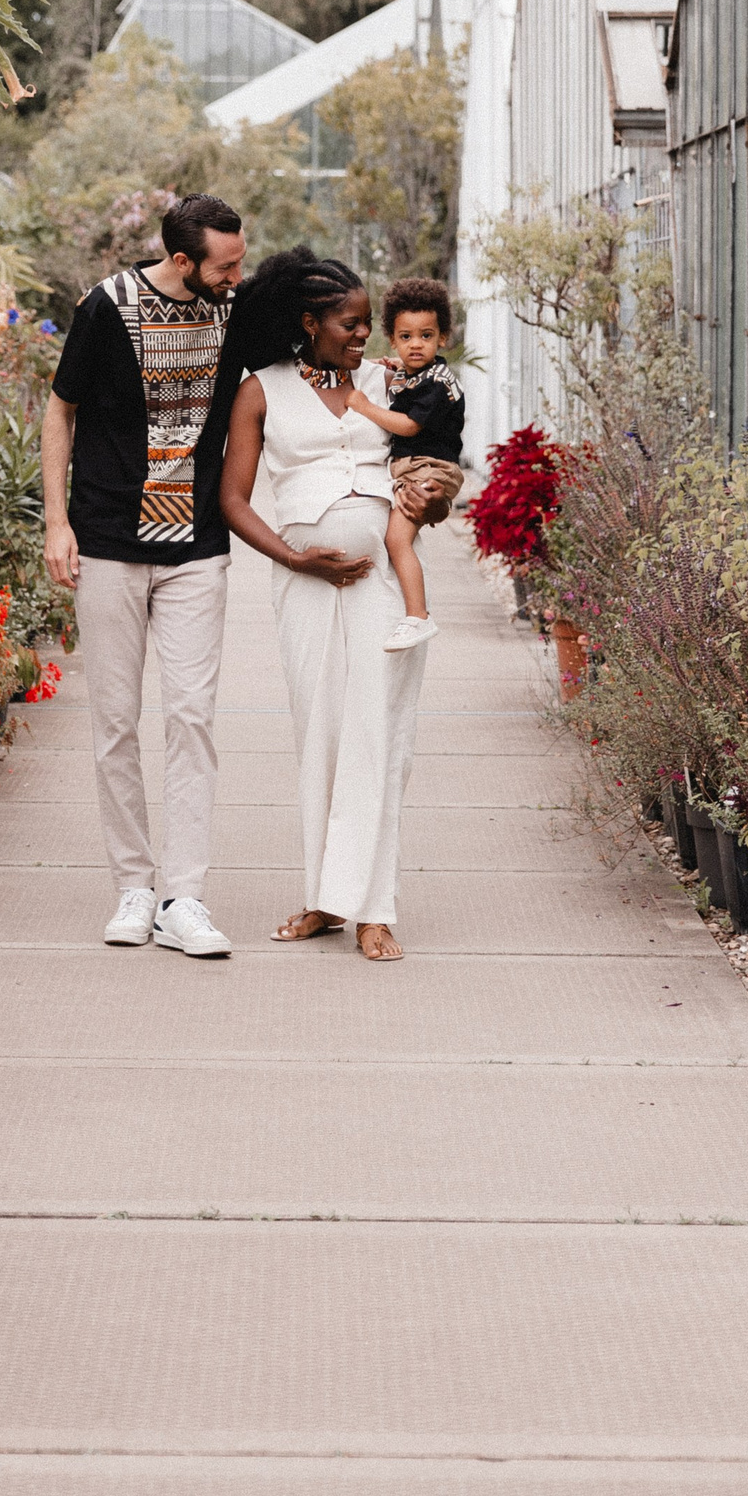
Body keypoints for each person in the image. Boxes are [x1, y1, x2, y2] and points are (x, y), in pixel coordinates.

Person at [42, 193, 248, 957]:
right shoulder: (107, 307)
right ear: (182, 259)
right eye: (225, 266)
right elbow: (60, 410)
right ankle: (133, 885)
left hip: (198, 548)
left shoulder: (233, 310)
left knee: (191, 718)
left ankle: (182, 898)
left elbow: (316, 338)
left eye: (241, 262)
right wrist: (56, 523)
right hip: (108, 541)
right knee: (115, 723)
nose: (236, 277)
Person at [218, 248, 428, 963]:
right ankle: (324, 897)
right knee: (321, 736)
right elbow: (233, 500)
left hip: (381, 584)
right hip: (304, 586)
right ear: (308, 323)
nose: (364, 334)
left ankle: (373, 909)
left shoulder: (385, 382)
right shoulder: (262, 390)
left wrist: (428, 498)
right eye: (350, 323)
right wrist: (294, 557)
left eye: (368, 322)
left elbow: (430, 458)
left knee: (380, 737)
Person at [342, 275, 465, 653]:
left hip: (430, 467)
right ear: (393, 339)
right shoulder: (417, 374)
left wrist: (364, 406)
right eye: (406, 336)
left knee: (397, 539)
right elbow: (407, 379)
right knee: (398, 537)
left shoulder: (435, 384)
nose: (416, 344)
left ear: (442, 338)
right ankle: (411, 612)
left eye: (426, 336)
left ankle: (417, 616)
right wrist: (393, 367)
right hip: (417, 466)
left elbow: (409, 425)